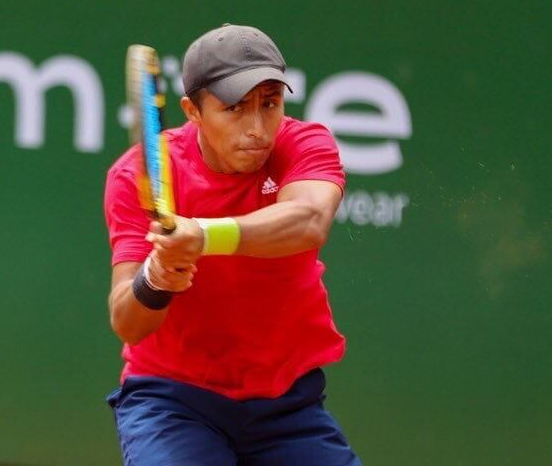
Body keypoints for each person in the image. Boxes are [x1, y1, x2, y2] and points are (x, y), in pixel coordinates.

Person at [104, 24, 360, 465]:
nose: (258, 128)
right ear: (193, 111)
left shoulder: (304, 143)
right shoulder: (135, 175)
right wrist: (157, 278)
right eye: (235, 108)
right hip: (173, 402)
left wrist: (203, 235)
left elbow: (310, 220)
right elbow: (128, 322)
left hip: (287, 404)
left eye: (270, 104)